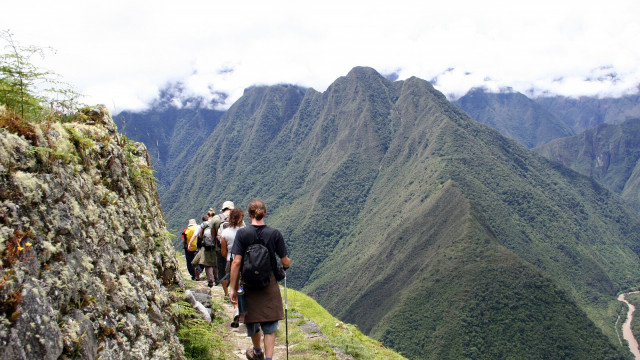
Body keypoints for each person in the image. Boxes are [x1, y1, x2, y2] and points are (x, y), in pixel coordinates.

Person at [229, 199, 290, 360]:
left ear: (248, 215)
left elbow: (236, 262)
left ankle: (257, 351)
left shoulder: (242, 233)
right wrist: (286, 265)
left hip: (248, 284)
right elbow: (285, 261)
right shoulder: (274, 234)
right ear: (265, 213)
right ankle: (268, 358)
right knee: (269, 326)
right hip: (268, 283)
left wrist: (232, 287)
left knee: (252, 321)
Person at [220, 207, 245, 327]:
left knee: (234, 287)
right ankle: (244, 310)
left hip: (231, 261)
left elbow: (223, 252)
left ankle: (236, 308)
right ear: (241, 218)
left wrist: (229, 256)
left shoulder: (225, 233)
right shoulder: (245, 231)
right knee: (243, 285)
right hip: (245, 261)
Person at [211, 201, 234, 298]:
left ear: (223, 208)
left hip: (220, 249)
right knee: (235, 270)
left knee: (222, 271)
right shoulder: (237, 217)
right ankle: (235, 292)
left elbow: (213, 234)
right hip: (235, 250)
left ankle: (226, 293)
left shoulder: (216, 218)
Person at [196, 214, 218, 287]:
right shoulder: (217, 222)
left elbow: (200, 235)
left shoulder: (204, 224)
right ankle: (217, 279)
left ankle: (210, 280)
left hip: (206, 246)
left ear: (208, 216)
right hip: (215, 246)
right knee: (215, 263)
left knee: (208, 264)